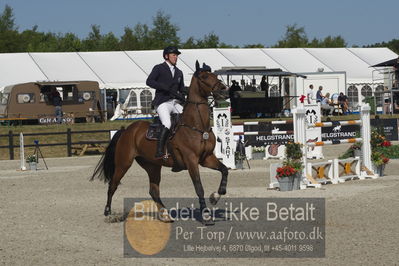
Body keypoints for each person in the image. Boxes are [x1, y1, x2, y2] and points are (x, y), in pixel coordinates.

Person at [146, 46, 185, 158]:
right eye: (174, 55)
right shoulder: (159, 68)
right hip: (162, 102)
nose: (176, 57)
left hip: (175, 102)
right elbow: (149, 81)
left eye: (176, 55)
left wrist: (185, 93)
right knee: (167, 123)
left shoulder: (179, 72)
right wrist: (162, 87)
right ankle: (159, 150)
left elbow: (181, 89)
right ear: (166, 56)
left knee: (186, 119)